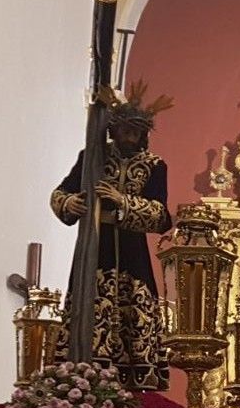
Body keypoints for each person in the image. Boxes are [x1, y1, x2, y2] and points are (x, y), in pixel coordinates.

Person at [51, 82, 174, 390]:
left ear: (143, 134)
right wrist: (71, 202)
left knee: (135, 313)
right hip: (96, 247)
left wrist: (123, 201)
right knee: (90, 307)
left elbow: (161, 216)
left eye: (135, 132)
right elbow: (60, 192)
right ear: (114, 130)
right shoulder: (91, 157)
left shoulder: (154, 166)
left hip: (133, 256)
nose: (129, 138)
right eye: (124, 131)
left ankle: (135, 383)